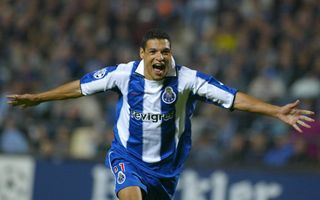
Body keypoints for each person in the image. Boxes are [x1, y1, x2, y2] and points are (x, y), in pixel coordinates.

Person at [7, 29, 314, 200]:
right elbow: (80, 87)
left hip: (167, 170)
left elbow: (233, 98)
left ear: (170, 53)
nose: (159, 57)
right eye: (153, 51)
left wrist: (276, 111)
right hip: (128, 156)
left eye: (165, 51)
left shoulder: (188, 80)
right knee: (130, 196)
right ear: (142, 54)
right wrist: (39, 98)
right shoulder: (124, 74)